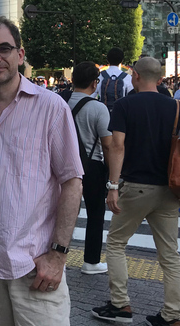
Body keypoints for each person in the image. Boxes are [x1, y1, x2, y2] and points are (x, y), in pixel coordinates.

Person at [0, 15, 83, 326]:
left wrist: (58, 255)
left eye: (4, 48)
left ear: (20, 55)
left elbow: (72, 182)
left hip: (35, 265)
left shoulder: (51, 107)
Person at [92, 57, 180, 326]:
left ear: (136, 76)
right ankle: (172, 316)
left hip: (136, 187)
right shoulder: (178, 106)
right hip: (170, 190)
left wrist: (113, 186)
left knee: (116, 244)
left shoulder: (125, 105)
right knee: (170, 255)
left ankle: (121, 305)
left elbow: (117, 146)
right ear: (161, 79)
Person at [67, 62, 114, 275]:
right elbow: (108, 144)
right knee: (95, 213)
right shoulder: (98, 108)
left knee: (61, 212)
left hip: (62, 164)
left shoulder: (58, 102)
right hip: (92, 166)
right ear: (95, 83)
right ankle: (91, 261)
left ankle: (59, 256)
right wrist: (114, 177)